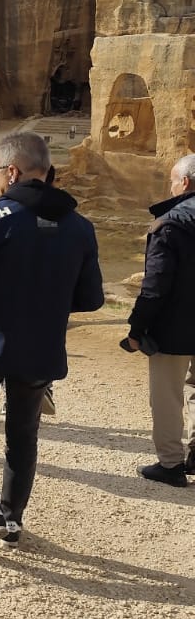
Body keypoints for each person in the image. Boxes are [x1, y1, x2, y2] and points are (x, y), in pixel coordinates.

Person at [0, 130, 103, 552]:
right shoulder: (80, 227)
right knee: (23, 433)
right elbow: (91, 298)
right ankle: (11, 518)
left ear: (11, 172)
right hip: (40, 347)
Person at [125, 153, 195, 487]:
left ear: (185, 182)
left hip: (175, 329)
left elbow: (155, 286)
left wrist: (137, 328)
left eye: (172, 180)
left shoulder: (170, 223)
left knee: (167, 396)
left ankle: (171, 464)